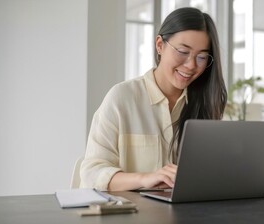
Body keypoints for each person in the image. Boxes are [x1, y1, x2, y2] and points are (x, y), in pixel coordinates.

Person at [80, 7, 227, 191]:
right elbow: (92, 173)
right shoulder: (122, 98)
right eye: (183, 51)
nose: (191, 65)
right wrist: (144, 179)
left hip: (187, 217)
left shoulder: (205, 105)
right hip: (130, 217)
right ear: (160, 45)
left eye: (202, 57)